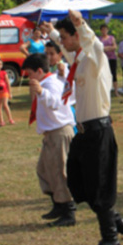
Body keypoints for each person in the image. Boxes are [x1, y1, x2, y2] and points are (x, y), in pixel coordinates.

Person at [44, 10, 123, 245]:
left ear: (77, 36)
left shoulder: (94, 59)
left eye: (65, 36)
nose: (62, 41)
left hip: (98, 131)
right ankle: (114, 219)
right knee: (79, 182)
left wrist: (80, 23)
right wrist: (51, 32)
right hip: (83, 132)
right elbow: (69, 49)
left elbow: (92, 43)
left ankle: (110, 238)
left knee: (99, 185)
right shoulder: (80, 60)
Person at [24, 52, 78, 228]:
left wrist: (41, 92)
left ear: (39, 70)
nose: (29, 77)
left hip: (59, 132)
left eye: (30, 73)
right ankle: (58, 204)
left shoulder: (51, 84)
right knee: (45, 170)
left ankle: (68, 211)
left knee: (60, 173)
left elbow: (57, 103)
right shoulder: (47, 82)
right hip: (51, 133)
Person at [99, 24, 118, 94]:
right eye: (103, 29)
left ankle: (116, 91)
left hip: (112, 58)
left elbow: (114, 46)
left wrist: (106, 48)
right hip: (103, 59)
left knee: (113, 74)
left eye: (105, 29)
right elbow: (99, 49)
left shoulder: (111, 38)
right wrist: (109, 48)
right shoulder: (99, 39)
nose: (104, 31)